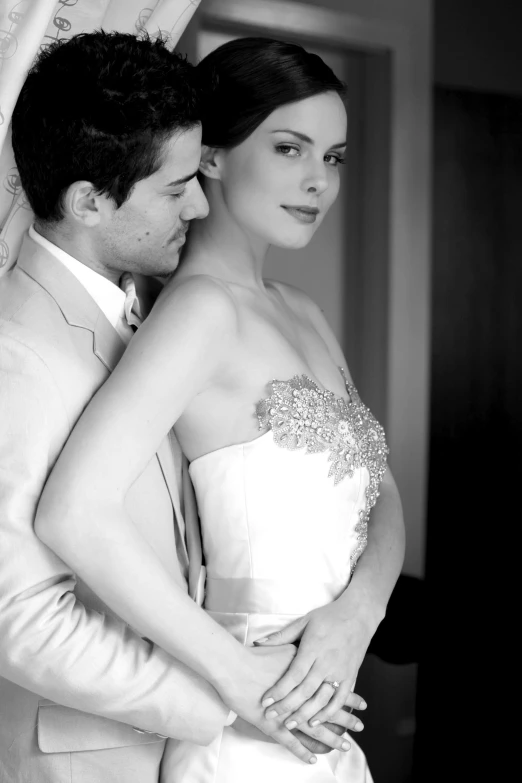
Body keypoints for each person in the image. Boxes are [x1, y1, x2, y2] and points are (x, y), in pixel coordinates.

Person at [35, 37, 405, 781]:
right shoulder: (199, 313)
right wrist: (235, 671)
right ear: (212, 154)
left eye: (333, 157)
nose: (318, 183)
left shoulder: (301, 308)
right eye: (290, 148)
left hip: (324, 712)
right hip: (249, 724)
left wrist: (355, 615)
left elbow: (384, 496)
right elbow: (73, 513)